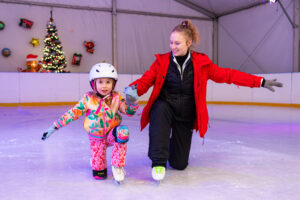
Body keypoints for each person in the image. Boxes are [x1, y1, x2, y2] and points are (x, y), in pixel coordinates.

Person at [124, 19, 283, 182]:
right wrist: (131, 93)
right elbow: (145, 81)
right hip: (165, 106)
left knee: (179, 164)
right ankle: (158, 162)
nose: (173, 47)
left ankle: (168, 145)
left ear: (188, 42)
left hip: (186, 113)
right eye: (171, 42)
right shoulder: (162, 62)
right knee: (159, 109)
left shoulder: (202, 64)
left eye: (177, 43)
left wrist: (259, 81)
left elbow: (229, 75)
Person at [42, 62, 138, 183]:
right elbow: (73, 113)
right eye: (100, 82)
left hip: (111, 134)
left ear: (114, 83)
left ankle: (118, 166)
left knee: (123, 131)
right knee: (99, 175)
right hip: (96, 138)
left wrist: (132, 101)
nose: (104, 86)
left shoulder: (116, 97)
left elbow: (129, 111)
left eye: (108, 82)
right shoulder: (88, 99)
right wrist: (54, 127)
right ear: (93, 83)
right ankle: (97, 162)